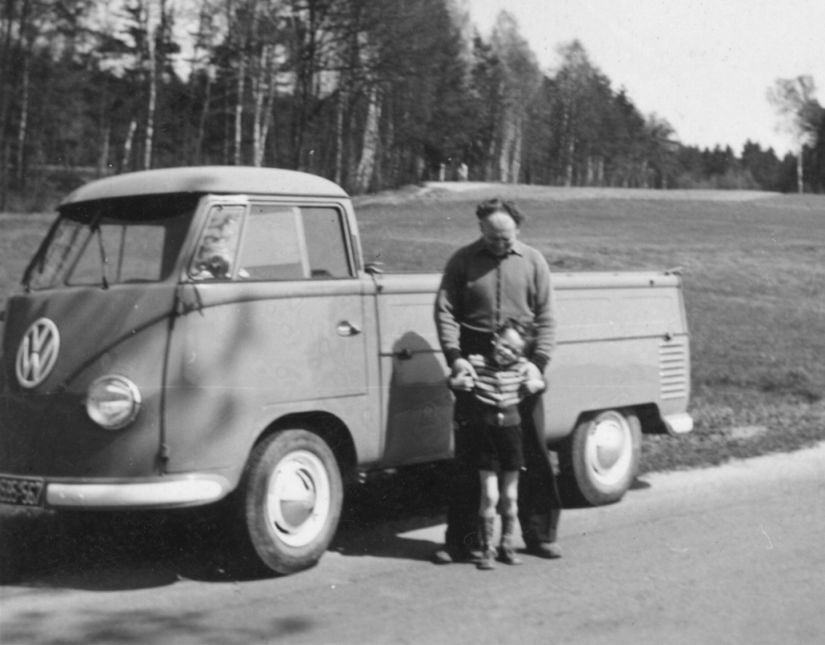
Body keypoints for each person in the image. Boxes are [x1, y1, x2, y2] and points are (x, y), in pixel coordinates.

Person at [433, 197, 563, 564]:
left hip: (520, 358)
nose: (500, 244)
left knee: (532, 450)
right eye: (493, 238)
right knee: (472, 455)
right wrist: (456, 359)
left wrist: (538, 364)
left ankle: (539, 535)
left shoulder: (534, 261)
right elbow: (444, 312)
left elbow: (548, 317)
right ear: (481, 229)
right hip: (475, 360)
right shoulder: (462, 261)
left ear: (517, 230)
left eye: (506, 238)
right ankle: (463, 542)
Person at [448, 320, 545, 570]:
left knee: (510, 496)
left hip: (512, 437)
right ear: (495, 339)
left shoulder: (523, 368)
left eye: (515, 350)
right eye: (504, 345)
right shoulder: (478, 362)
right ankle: (486, 549)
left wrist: (535, 384)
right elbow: (451, 380)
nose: (507, 353)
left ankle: (507, 546)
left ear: (521, 353)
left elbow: (539, 382)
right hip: (485, 438)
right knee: (489, 495)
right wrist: (454, 383)